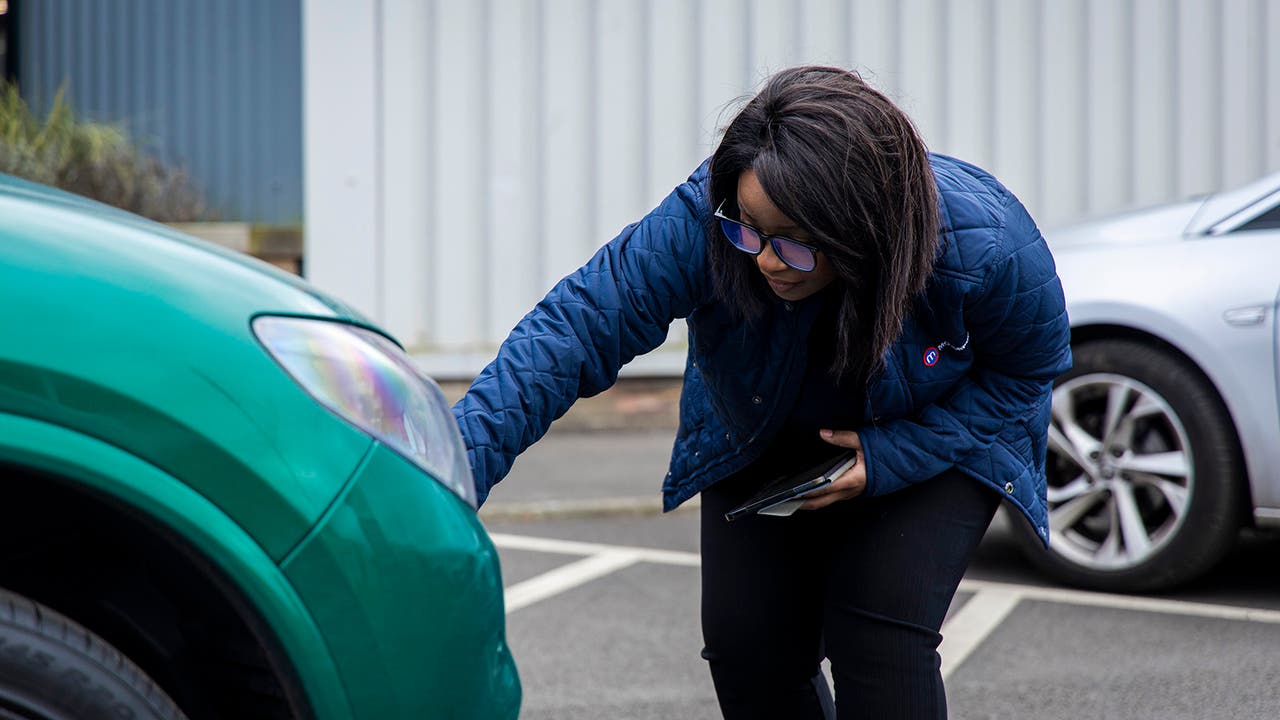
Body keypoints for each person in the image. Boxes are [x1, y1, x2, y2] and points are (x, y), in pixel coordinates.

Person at [453, 65, 1071, 719]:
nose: (765, 260)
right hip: (759, 435)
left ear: (860, 232)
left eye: (796, 246)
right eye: (746, 227)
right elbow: (577, 328)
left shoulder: (987, 247)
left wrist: (893, 457)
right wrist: (447, 473)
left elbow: (1027, 372)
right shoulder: (704, 217)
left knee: (879, 637)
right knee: (749, 653)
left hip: (930, 441)